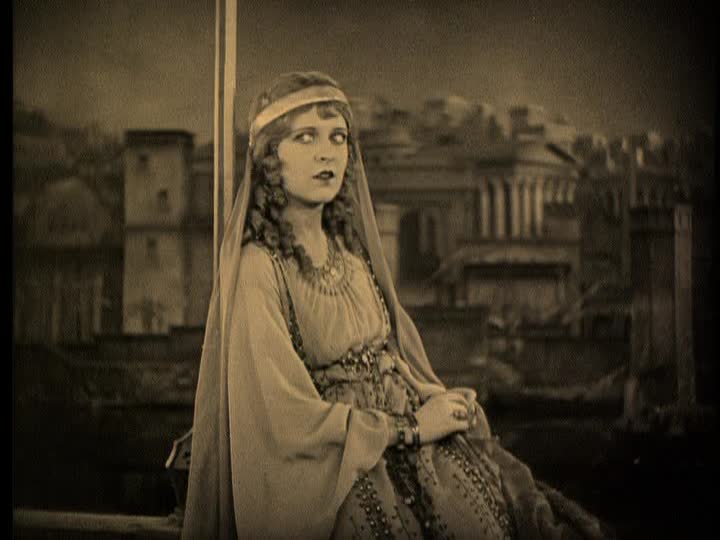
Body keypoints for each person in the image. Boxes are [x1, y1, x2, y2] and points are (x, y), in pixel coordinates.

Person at [182, 71, 611, 540]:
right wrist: (409, 429)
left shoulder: (351, 253)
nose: (327, 153)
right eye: (305, 137)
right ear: (269, 158)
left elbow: (387, 358)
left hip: (409, 440)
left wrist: (431, 396)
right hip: (335, 467)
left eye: (338, 137)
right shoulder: (260, 268)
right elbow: (283, 416)